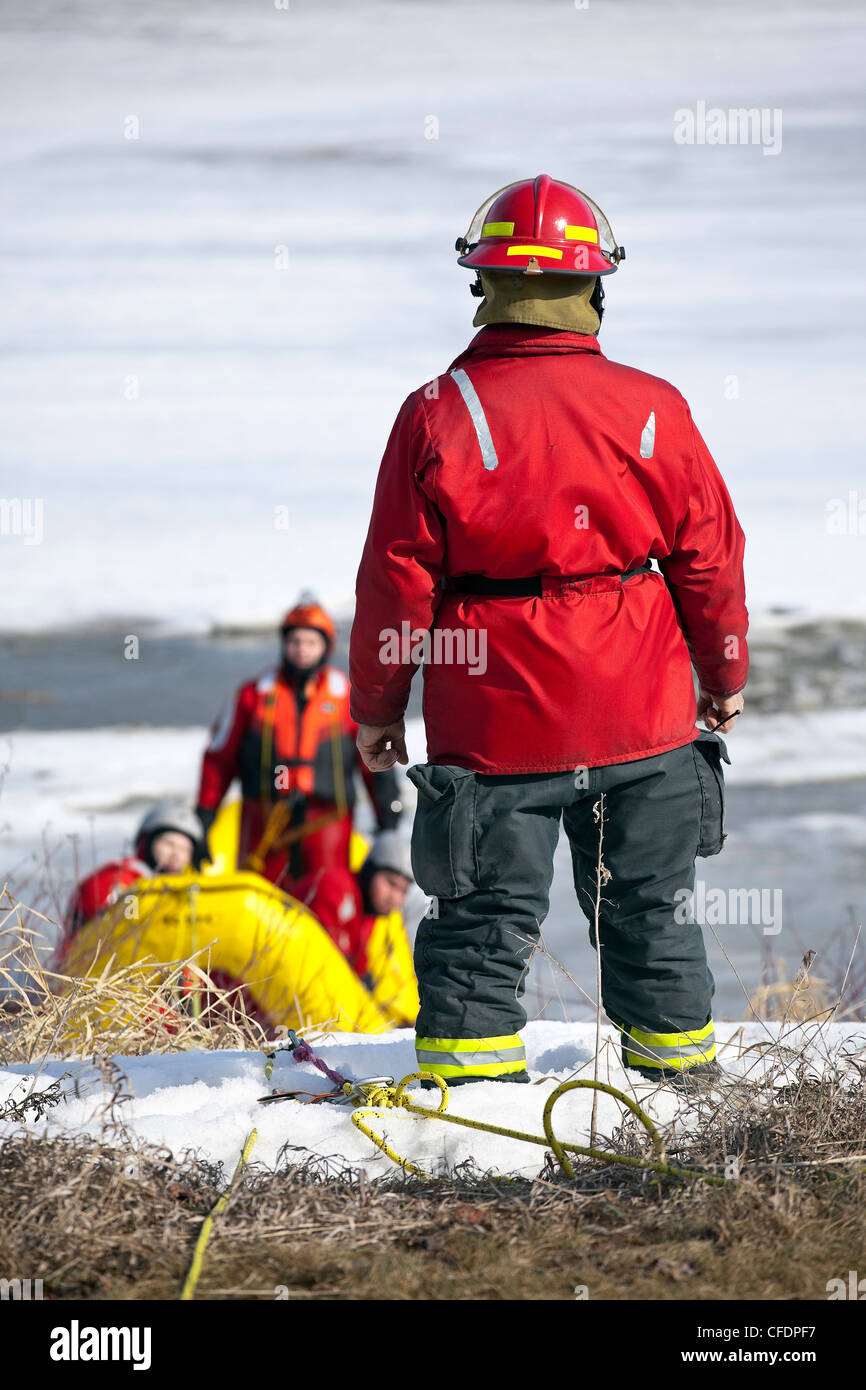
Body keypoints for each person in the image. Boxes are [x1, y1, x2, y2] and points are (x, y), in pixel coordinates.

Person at [349, 175, 749, 1090]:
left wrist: (377, 708)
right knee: (651, 913)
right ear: (595, 287)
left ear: (483, 285)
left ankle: (473, 1124)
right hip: (641, 718)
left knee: (485, 923)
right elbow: (709, 557)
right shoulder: (654, 406)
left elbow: (394, 583)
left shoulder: (437, 412)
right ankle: (681, 1101)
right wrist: (722, 673)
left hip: (496, 726)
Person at [196, 596, 403, 886]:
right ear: (284, 645)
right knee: (261, 894)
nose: (301, 650)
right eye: (295, 642)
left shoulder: (349, 700)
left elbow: (376, 763)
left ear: (326, 647)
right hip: (264, 818)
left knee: (327, 891)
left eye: (310, 643)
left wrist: (388, 821)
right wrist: (204, 819)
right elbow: (219, 760)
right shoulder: (251, 696)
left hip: (328, 819)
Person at [292, 830, 418, 1025]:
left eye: (403, 891)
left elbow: (358, 973)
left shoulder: (368, 917)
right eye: (391, 883)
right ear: (370, 870)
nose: (396, 898)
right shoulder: (336, 888)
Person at [63, 802, 206, 939]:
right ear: (147, 841)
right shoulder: (118, 877)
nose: (176, 854)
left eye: (185, 849)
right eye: (169, 844)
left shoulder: (184, 889)